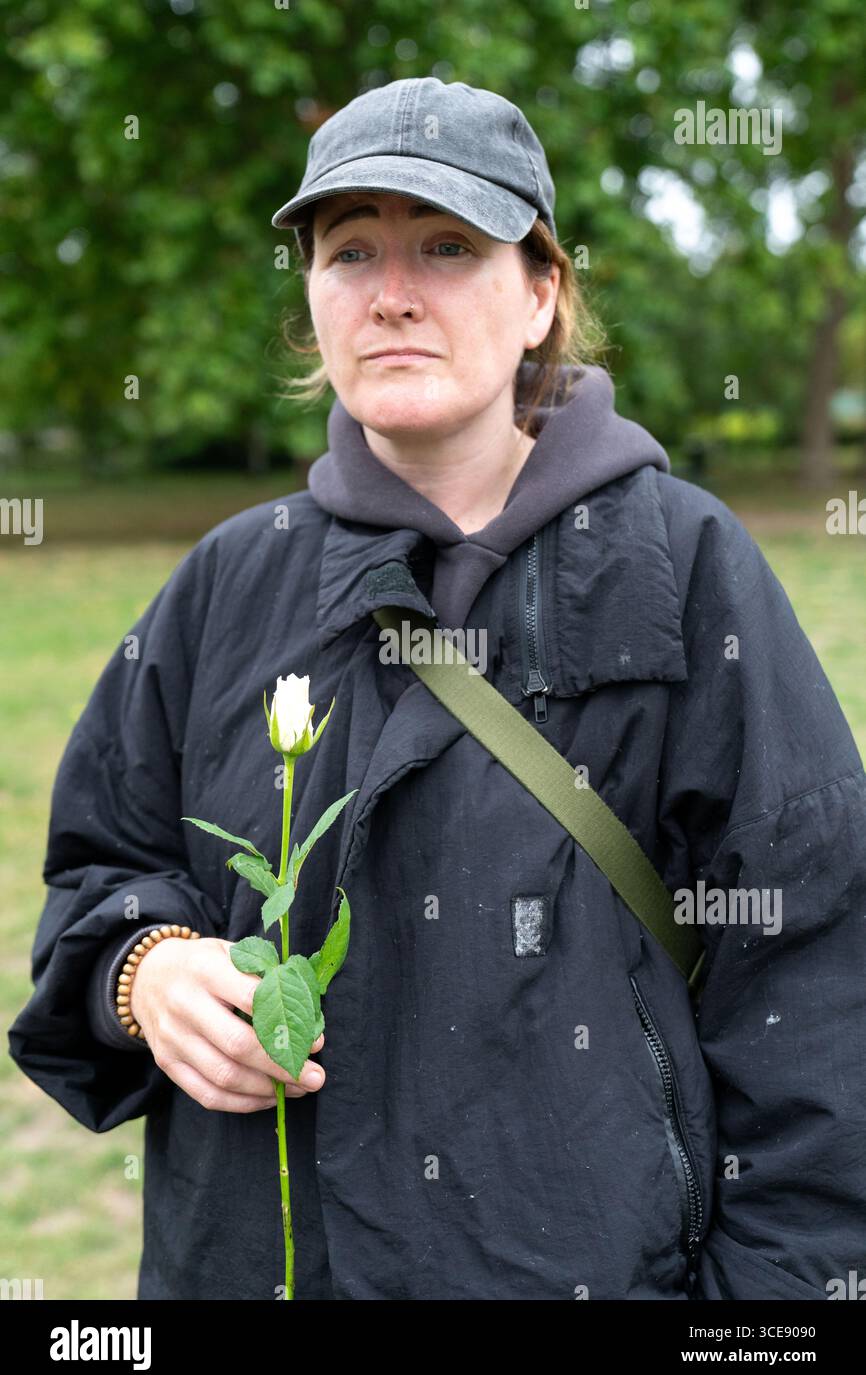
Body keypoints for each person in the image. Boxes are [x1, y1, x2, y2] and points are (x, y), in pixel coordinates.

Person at [9, 76, 866, 1302]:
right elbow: (99, 873)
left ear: (540, 294)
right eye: (349, 248)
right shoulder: (226, 585)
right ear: (311, 299)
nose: (392, 291)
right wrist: (144, 972)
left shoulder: (684, 572)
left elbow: (812, 987)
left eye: (448, 246)